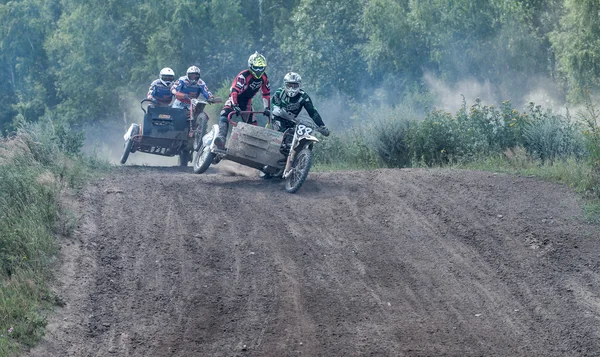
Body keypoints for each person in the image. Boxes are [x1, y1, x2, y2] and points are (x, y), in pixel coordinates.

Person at [214, 52, 271, 149]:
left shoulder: (264, 77)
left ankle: (249, 147)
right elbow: (234, 91)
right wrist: (235, 105)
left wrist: (267, 108)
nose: (258, 70)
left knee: (253, 125)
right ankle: (221, 138)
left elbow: (266, 94)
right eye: (256, 67)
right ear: (250, 66)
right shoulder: (243, 75)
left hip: (247, 102)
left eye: (261, 68)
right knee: (225, 114)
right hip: (235, 99)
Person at [271, 72, 330, 139]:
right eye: (289, 85)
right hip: (278, 118)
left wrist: (322, 126)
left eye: (295, 86)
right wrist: (275, 108)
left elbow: (313, 112)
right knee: (280, 133)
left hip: (292, 121)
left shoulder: (304, 97)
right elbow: (273, 103)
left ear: (299, 85)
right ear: (285, 84)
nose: (291, 88)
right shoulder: (279, 92)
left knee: (298, 136)